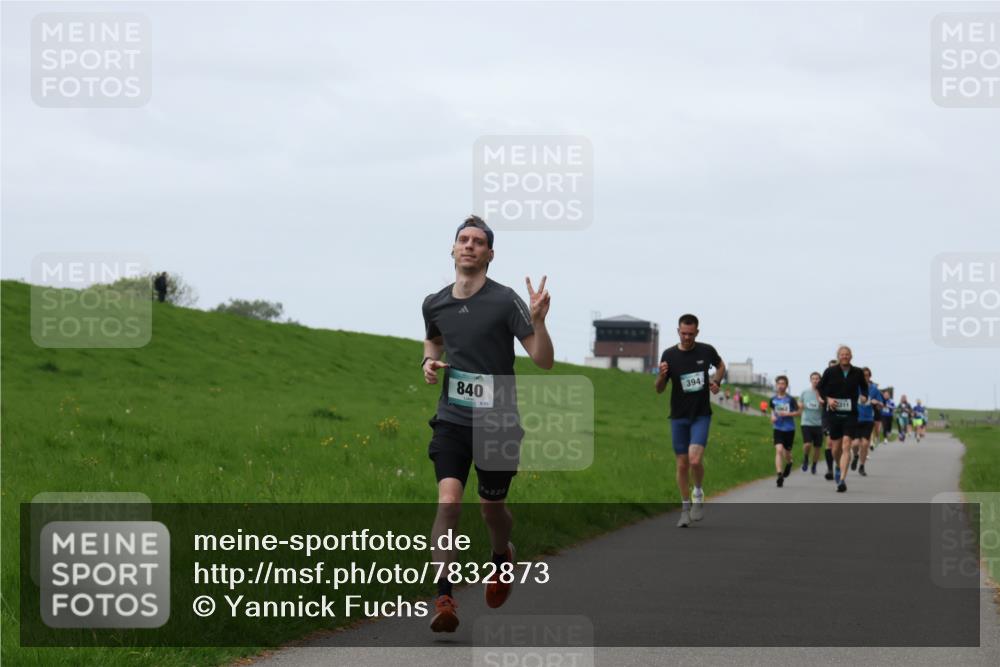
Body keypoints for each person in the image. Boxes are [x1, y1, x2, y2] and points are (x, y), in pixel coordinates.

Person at [421, 215, 554, 633]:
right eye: (463, 239)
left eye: (479, 242)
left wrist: (539, 321)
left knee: (491, 507)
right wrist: (428, 360)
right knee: (449, 502)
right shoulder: (435, 302)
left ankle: (501, 557)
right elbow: (434, 337)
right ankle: (444, 595)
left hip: (498, 421)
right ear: (453, 248)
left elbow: (543, 360)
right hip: (452, 418)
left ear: (489, 254)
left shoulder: (506, 300)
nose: (470, 246)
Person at [656, 314, 726, 527]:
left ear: (697, 332)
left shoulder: (706, 350)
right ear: (678, 331)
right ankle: (684, 508)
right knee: (682, 464)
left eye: (691, 333)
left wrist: (716, 381)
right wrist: (660, 376)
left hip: (701, 414)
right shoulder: (669, 354)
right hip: (678, 416)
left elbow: (721, 366)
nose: (687, 337)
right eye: (683, 333)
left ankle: (698, 493)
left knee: (695, 460)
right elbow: (659, 389)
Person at [817, 346, 869, 493]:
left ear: (851, 356)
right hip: (834, 414)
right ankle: (838, 466)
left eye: (847, 354)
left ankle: (842, 480)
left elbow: (864, 387)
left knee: (846, 445)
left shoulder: (858, 372)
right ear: (838, 356)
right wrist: (828, 399)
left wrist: (864, 396)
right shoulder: (830, 371)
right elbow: (820, 388)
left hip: (851, 414)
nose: (845, 356)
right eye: (842, 354)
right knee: (835, 448)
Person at [850, 367, 883, 477]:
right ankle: (855, 456)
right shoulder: (855, 387)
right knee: (854, 444)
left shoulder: (874, 389)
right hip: (855, 418)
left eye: (867, 375)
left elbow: (882, 404)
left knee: (864, 444)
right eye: (863, 375)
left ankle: (862, 466)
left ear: (870, 376)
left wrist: (877, 402)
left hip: (868, 419)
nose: (865, 377)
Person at [769, 376, 801, 486]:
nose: (781, 386)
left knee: (787, 453)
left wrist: (788, 414)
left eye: (783, 383)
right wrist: (772, 416)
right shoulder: (773, 399)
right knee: (778, 450)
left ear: (786, 386)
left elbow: (798, 412)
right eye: (779, 383)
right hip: (778, 428)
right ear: (776, 385)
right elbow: (772, 410)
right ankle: (779, 475)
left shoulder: (791, 399)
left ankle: (789, 463)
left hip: (789, 429)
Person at [800, 372, 825, 474]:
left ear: (820, 380)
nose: (815, 380)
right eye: (813, 379)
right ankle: (805, 458)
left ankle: (814, 465)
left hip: (819, 424)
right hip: (806, 422)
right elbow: (799, 402)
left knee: (817, 447)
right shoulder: (805, 392)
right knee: (807, 444)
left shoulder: (823, 393)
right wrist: (801, 405)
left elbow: (826, 407)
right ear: (810, 380)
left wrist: (821, 402)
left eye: (817, 379)